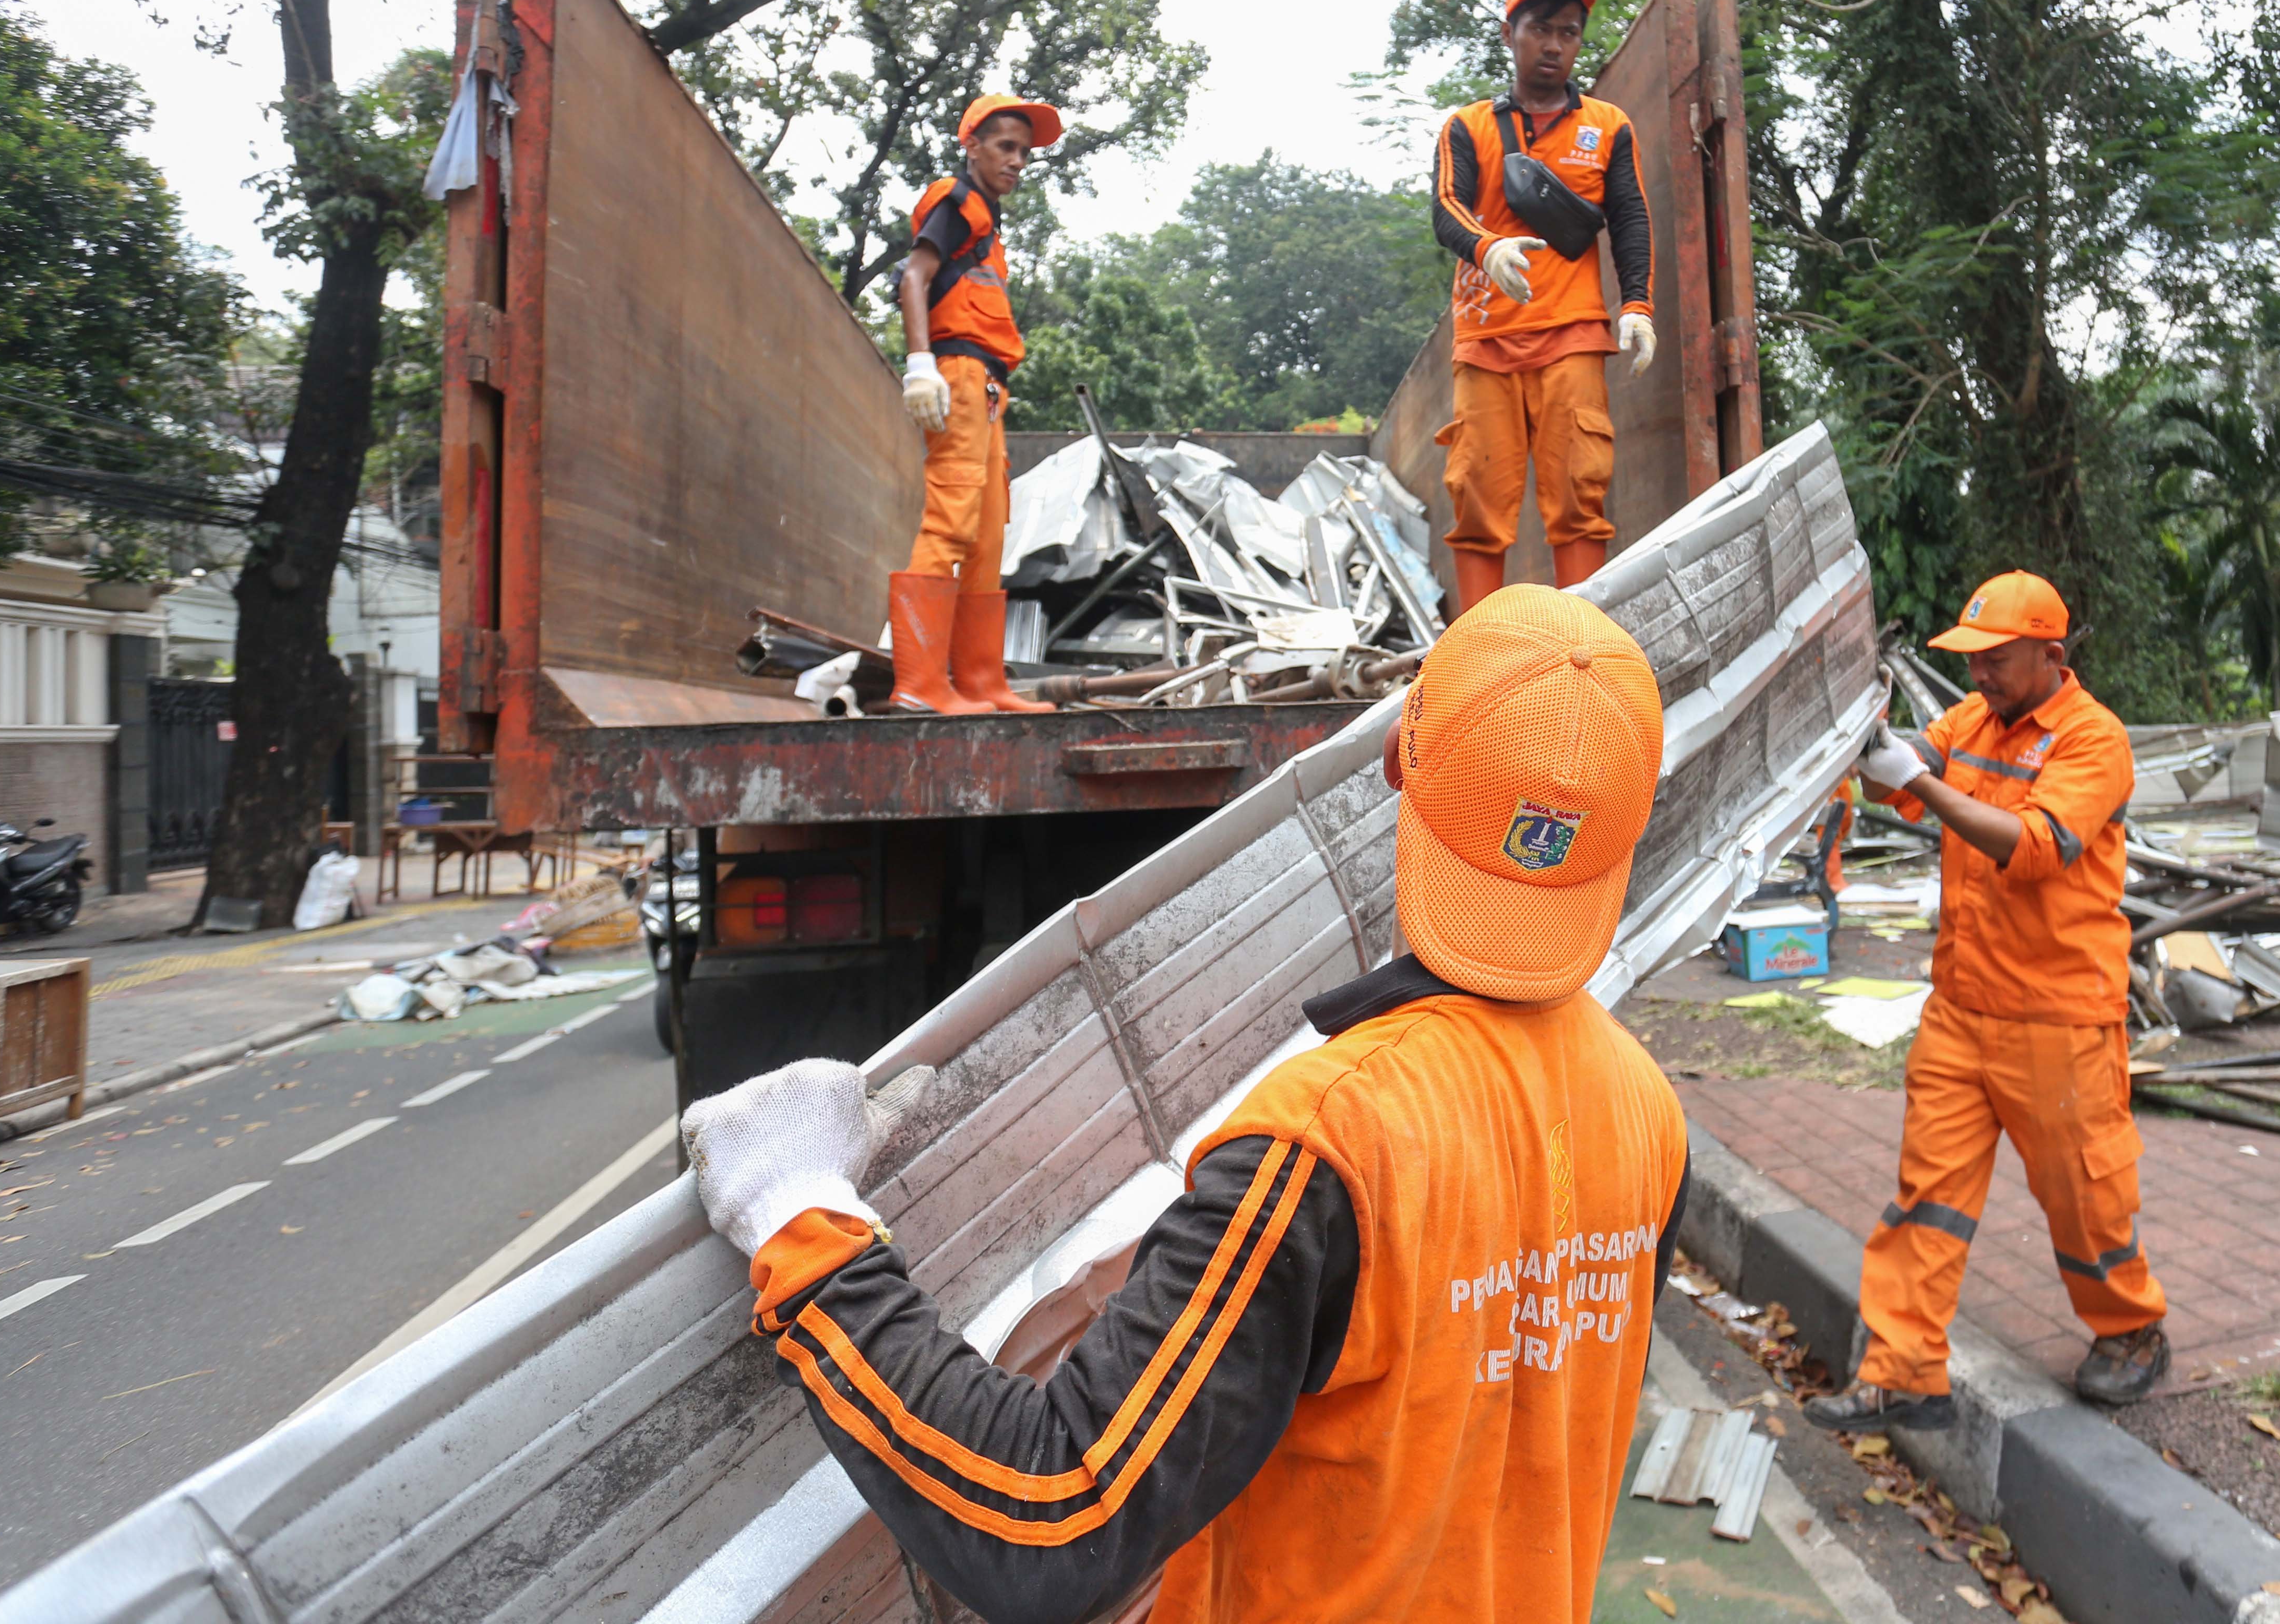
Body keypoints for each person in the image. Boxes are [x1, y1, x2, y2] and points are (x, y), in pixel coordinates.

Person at [679, 584, 1690, 1624]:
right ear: (1624, 836)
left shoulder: (1330, 1139)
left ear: (1400, 759)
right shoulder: (1646, 1114)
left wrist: (800, 1217)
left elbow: (1049, 1522)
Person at [1807, 570, 2170, 1420]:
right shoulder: (1971, 719)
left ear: (2050, 656)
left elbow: (2034, 846)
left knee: (2084, 1199)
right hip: (1961, 1008)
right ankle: (1900, 1372)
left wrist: (1924, 786)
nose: (1979, 676)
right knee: (1926, 1194)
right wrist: (1875, 752)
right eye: (1970, 660)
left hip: (2057, 1017)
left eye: (1996, 660)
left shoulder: (2093, 741)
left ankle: (2129, 1330)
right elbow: (1902, 779)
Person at [1430, 0, 1657, 605]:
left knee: (1581, 495)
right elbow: (1447, 209)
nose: (1555, 45)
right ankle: (1478, 655)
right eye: (1540, 29)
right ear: (1510, 34)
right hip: (1485, 341)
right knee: (1476, 498)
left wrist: (1637, 305)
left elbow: (1631, 216)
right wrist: (1487, 246)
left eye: (1569, 32)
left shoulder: (1609, 126)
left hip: (1574, 338)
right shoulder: (1467, 126)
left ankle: (1580, 652)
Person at [884, 93, 1062, 716]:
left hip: (986, 387)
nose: (1018, 160)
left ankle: (983, 683)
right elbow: (913, 278)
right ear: (974, 148)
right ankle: (921, 686)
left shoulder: (987, 220)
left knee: (987, 533)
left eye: (1025, 151)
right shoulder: (957, 202)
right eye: (1006, 147)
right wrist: (919, 365)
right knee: (952, 521)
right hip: (956, 375)